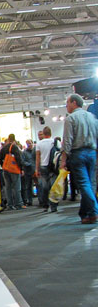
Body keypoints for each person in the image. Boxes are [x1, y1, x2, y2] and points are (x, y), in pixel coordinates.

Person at [60, 94, 98, 224]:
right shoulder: (92, 117)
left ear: (74, 102)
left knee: (84, 184)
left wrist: (63, 160)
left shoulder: (71, 118)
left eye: (67, 103)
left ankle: (94, 210)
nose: (66, 106)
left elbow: (67, 141)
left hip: (78, 154)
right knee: (91, 183)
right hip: (92, 153)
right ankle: (87, 214)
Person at [0, 134, 25, 210]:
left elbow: (0, 159)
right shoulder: (14, 147)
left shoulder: (4, 148)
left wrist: (4, 166)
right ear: (14, 139)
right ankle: (18, 204)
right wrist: (21, 168)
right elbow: (18, 159)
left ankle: (10, 205)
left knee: (8, 187)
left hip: (5, 170)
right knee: (16, 187)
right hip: (14, 170)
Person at [35, 126, 57, 212]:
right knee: (53, 186)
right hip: (53, 167)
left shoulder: (39, 144)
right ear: (50, 133)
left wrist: (36, 169)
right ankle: (54, 206)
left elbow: (37, 157)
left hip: (43, 166)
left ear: (44, 134)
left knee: (44, 187)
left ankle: (45, 205)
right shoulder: (55, 142)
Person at [21, 139, 36, 206]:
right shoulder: (24, 152)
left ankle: (42, 200)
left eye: (30, 143)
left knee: (39, 186)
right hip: (28, 171)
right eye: (27, 144)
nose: (29, 145)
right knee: (28, 186)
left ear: (32, 143)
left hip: (35, 171)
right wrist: (29, 164)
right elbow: (23, 161)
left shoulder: (36, 151)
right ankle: (30, 201)